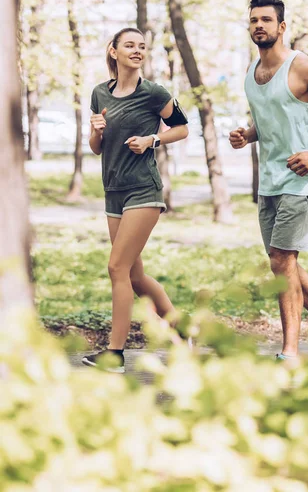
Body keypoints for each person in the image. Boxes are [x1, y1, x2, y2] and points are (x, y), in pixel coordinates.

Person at [229, 0, 308, 372]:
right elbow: (272, 121)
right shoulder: (252, 73)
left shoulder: (306, 68)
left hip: (302, 180)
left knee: (282, 259)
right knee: (280, 262)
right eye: (253, 20)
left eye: (266, 20)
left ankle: (289, 354)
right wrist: (247, 135)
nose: (259, 26)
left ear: (281, 27)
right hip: (269, 180)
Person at [82, 27, 189, 373]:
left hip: (143, 190)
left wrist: (151, 140)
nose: (137, 50)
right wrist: (97, 131)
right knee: (135, 275)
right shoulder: (100, 93)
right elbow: (96, 148)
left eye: (142, 46)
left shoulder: (154, 93)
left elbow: (183, 127)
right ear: (113, 51)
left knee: (116, 268)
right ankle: (180, 326)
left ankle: (115, 353)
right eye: (130, 45)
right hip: (113, 190)